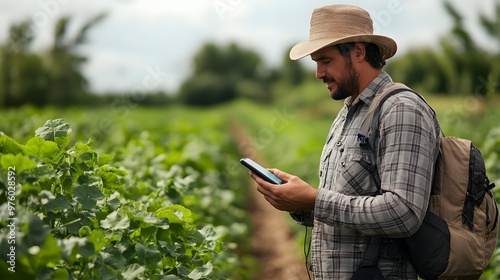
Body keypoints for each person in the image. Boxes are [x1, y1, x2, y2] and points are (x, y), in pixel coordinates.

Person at [249, 4, 441, 280]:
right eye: (316, 62)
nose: (319, 73)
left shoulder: (400, 109)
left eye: (326, 61)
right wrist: (300, 203)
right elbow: (346, 209)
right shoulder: (348, 113)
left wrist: (314, 199)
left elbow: (403, 212)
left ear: (359, 52)